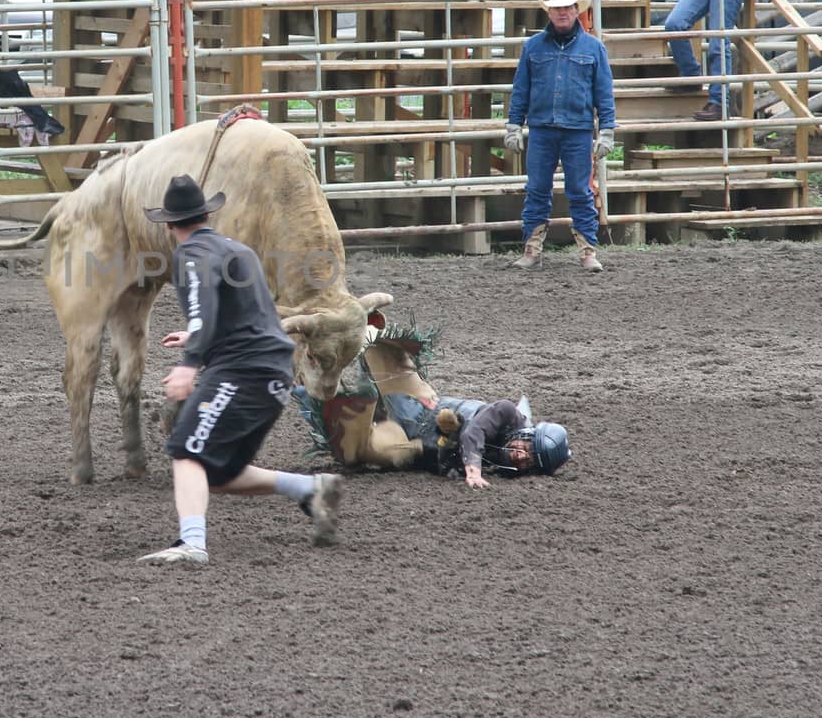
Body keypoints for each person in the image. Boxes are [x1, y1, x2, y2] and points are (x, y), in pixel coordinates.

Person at [138, 174, 343, 565]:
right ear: (205, 215)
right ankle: (310, 489)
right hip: (275, 371)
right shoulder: (237, 250)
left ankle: (192, 544)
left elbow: (202, 307)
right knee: (217, 470)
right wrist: (200, 335)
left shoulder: (190, 255)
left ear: (169, 226)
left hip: (243, 370)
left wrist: (190, 362)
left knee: (186, 451)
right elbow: (251, 311)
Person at [291, 319, 573, 489]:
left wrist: (448, 447)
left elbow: (442, 463)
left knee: (353, 451)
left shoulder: (506, 466)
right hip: (421, 409)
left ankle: (304, 388)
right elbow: (476, 432)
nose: (523, 457)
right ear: (528, 434)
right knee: (376, 345)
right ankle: (346, 326)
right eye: (528, 449)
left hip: (414, 444)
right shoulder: (508, 414)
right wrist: (472, 466)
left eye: (531, 462)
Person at [505, 0, 617, 272]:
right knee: (537, 189)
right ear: (550, 12)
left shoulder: (594, 48)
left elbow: (604, 92)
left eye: (567, 8)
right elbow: (521, 90)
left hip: (576, 130)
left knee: (579, 190)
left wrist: (607, 129)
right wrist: (514, 125)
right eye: (557, 8)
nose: (562, 13)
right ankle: (533, 249)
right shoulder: (532, 47)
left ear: (575, 11)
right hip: (543, 128)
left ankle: (587, 251)